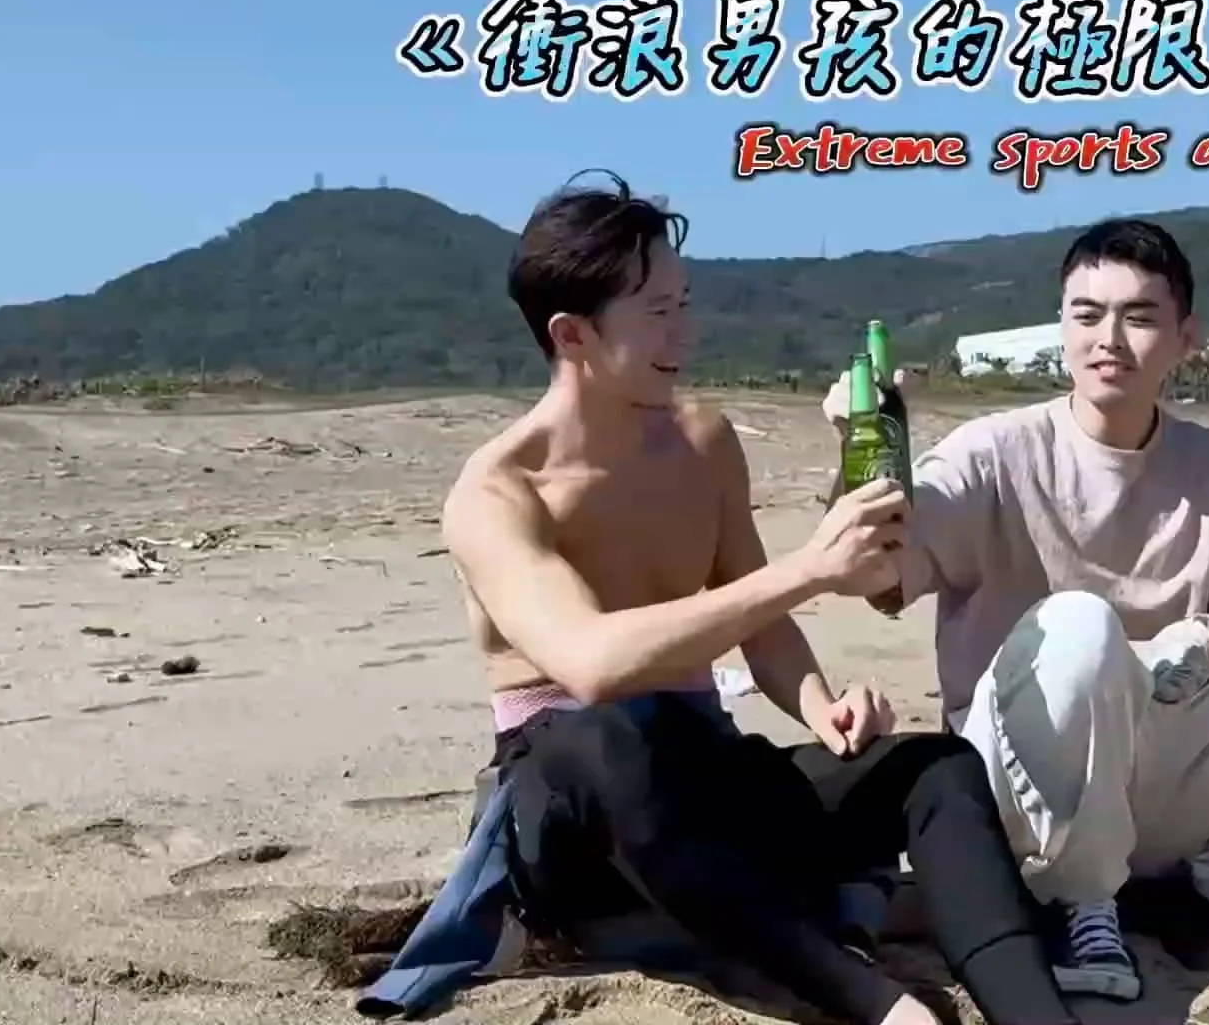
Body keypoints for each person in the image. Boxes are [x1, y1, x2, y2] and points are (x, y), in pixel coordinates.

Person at [401, 173, 1074, 1025]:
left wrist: (820, 704)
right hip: (571, 825)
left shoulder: (702, 441)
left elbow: (761, 625)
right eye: (658, 311)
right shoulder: (499, 492)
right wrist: (810, 568)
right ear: (573, 334)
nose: (686, 330)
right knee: (601, 737)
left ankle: (1034, 1013)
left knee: (931, 767)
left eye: (685, 302)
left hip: (704, 777)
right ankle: (879, 1004)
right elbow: (591, 662)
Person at [822, 218, 1209, 1001]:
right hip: (1022, 790)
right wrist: (858, 462)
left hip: (1158, 779)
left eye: (1138, 317)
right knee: (1078, 625)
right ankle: (1080, 902)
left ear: (1185, 338)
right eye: (1087, 315)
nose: (1108, 339)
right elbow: (874, 576)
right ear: (1062, 325)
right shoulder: (993, 452)